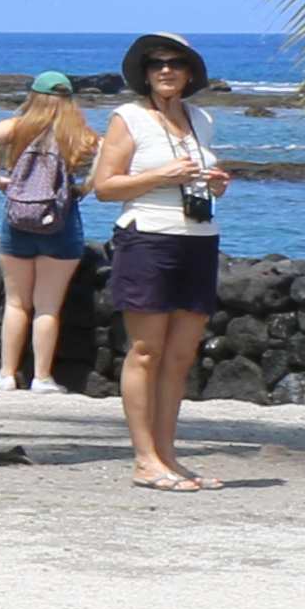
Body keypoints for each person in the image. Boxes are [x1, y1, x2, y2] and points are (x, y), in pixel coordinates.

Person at [88, 31, 232, 489]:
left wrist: (215, 183)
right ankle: (144, 459)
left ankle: (168, 456)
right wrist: (159, 175)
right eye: (156, 64)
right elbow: (105, 187)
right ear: (146, 75)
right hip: (148, 238)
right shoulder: (128, 117)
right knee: (147, 351)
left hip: (199, 238)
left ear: (190, 73)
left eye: (175, 63)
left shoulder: (201, 119)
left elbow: (201, 176)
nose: (165, 71)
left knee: (180, 355)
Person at [0, 68, 98, 392]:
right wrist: (87, 186)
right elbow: (107, 151)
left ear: (34, 96)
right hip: (61, 220)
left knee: (16, 303)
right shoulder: (76, 131)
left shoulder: (19, 126)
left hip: (18, 218)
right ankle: (41, 377)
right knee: (47, 306)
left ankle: (6, 375)